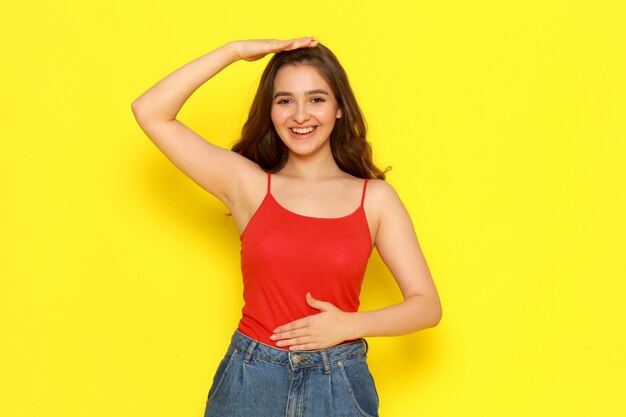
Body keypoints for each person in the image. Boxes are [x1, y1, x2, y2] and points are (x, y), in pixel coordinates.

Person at [131, 36, 442, 417]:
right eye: (284, 101)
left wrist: (347, 325)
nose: (300, 115)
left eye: (316, 99)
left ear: (339, 108)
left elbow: (427, 306)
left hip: (339, 381)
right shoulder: (248, 185)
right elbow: (149, 110)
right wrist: (234, 52)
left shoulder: (374, 199)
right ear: (271, 110)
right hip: (251, 380)